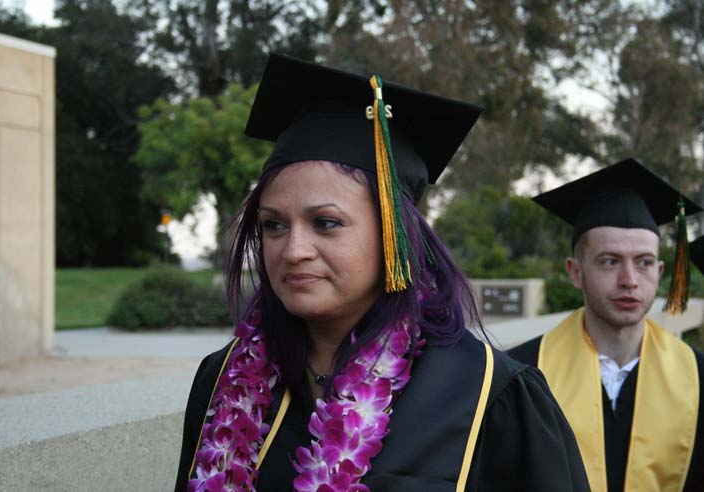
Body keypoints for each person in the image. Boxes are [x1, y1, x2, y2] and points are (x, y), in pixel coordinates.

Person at [175, 53, 589, 492]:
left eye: (326, 223)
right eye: (274, 225)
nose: (293, 251)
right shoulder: (222, 380)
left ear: (398, 235)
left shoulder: (491, 394)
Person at [509, 158, 704, 492]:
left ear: (658, 273)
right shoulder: (521, 376)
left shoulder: (699, 376)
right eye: (610, 261)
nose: (629, 280)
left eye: (643, 263)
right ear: (575, 272)